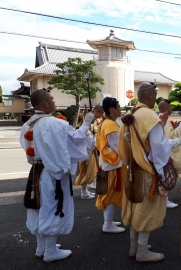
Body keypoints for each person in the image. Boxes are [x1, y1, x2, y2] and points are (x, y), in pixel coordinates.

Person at [19, 89, 94, 262]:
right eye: (51, 98)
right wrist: (88, 121)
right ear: (44, 103)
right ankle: (50, 251)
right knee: (52, 208)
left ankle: (41, 247)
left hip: (36, 171)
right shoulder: (55, 124)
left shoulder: (28, 123)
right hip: (53, 174)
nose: (54, 101)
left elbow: (27, 149)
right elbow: (76, 139)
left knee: (38, 206)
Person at [120, 82, 181, 262]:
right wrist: (180, 141)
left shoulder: (130, 114)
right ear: (150, 97)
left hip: (133, 170)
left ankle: (134, 247)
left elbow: (121, 146)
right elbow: (159, 147)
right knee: (147, 210)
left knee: (135, 206)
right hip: (147, 172)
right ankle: (142, 252)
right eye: (155, 95)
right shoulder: (150, 117)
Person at [95, 97, 126, 233]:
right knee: (111, 193)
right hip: (113, 165)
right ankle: (107, 224)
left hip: (105, 163)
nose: (120, 110)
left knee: (106, 192)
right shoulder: (111, 125)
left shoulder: (105, 123)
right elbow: (118, 146)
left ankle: (108, 221)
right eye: (118, 107)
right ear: (112, 109)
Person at [158, 99, 181, 209]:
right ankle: (164, 200)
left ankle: (163, 200)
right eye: (169, 107)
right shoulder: (165, 120)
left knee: (163, 177)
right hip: (166, 153)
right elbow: (171, 137)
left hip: (161, 152)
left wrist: (176, 127)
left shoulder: (160, 119)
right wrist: (180, 127)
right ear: (166, 109)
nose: (171, 109)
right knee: (167, 176)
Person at [74, 105, 104, 199]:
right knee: (85, 173)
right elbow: (89, 143)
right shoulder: (84, 129)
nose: (94, 119)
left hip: (89, 153)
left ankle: (85, 190)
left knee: (88, 173)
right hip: (85, 154)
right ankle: (83, 192)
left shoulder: (89, 127)